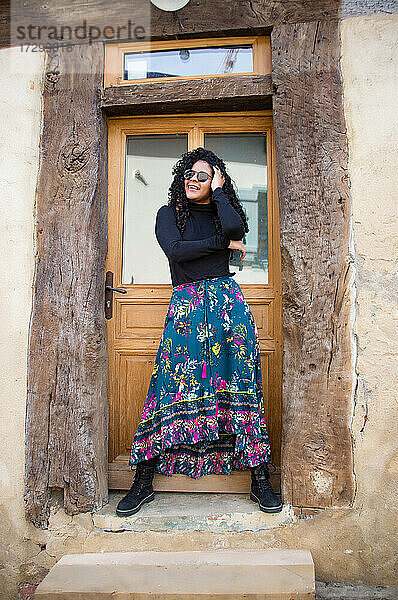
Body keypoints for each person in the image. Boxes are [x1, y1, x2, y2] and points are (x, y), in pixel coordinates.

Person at [116, 147, 282, 517]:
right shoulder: (168, 215)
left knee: (242, 383)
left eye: (203, 175)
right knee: (168, 386)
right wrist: (222, 245)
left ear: (217, 180)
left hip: (226, 306)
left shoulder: (227, 214)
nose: (193, 179)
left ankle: (260, 480)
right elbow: (177, 252)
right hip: (187, 306)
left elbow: (237, 229)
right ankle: (143, 480)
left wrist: (221, 196)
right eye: (188, 174)